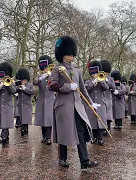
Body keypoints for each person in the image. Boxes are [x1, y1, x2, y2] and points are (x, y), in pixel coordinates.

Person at [49, 35, 98, 169]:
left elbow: (83, 90)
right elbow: (51, 85)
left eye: (72, 54)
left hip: (77, 106)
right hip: (63, 106)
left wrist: (90, 103)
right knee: (64, 132)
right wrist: (67, 87)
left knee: (81, 131)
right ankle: (63, 158)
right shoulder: (57, 69)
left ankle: (84, 161)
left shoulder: (77, 70)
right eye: (70, 54)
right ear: (64, 55)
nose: (72, 57)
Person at [0, 62, 16, 144]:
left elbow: (14, 91)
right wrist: (0, 86)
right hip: (0, 105)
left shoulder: (11, 81)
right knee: (3, 122)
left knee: (6, 122)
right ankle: (6, 135)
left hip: (7, 104)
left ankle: (4, 136)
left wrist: (8, 85)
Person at [84, 61, 108, 146]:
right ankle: (93, 137)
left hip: (100, 103)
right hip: (91, 103)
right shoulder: (88, 81)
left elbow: (106, 88)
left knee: (100, 122)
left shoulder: (102, 79)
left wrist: (100, 80)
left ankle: (100, 138)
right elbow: (86, 89)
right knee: (93, 122)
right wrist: (93, 82)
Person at [33, 55, 55, 145]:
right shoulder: (40, 76)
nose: (46, 69)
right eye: (44, 68)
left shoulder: (53, 76)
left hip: (50, 100)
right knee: (42, 119)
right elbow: (34, 82)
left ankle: (49, 137)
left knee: (49, 120)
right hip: (41, 100)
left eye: (47, 67)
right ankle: (44, 137)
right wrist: (41, 78)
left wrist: (50, 76)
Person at [16, 68, 35, 137]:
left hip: (27, 104)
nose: (23, 81)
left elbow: (33, 92)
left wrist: (25, 88)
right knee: (22, 117)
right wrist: (18, 88)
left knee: (26, 118)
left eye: (24, 80)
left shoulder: (30, 85)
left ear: (27, 79)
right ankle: (25, 129)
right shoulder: (19, 85)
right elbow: (14, 91)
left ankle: (23, 129)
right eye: (21, 80)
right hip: (20, 104)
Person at [100, 60, 115, 136]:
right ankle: (102, 129)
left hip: (108, 98)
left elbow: (113, 87)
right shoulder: (99, 75)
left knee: (108, 116)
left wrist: (106, 79)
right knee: (102, 114)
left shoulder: (111, 79)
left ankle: (108, 129)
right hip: (101, 98)